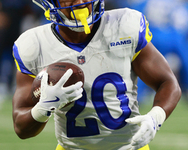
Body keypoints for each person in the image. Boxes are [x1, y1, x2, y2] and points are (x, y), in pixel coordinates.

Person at [12, 0, 181, 150]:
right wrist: (43, 108)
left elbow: (167, 82)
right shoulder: (35, 45)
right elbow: (21, 127)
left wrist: (155, 116)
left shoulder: (123, 25)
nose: (80, 2)